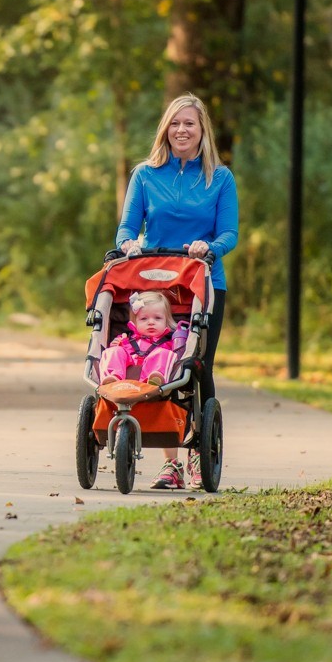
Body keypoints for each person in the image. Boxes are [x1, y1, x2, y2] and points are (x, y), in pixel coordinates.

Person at [115, 93, 239, 490]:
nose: (181, 130)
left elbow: (229, 233)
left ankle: (200, 456)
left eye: (189, 124)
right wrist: (129, 245)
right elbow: (125, 229)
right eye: (175, 123)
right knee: (159, 359)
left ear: (203, 131)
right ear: (165, 129)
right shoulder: (145, 175)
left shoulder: (219, 177)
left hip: (203, 282)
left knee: (197, 366)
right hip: (155, 285)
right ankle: (170, 465)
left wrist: (212, 247)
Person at [99, 291, 185, 387]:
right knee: (114, 351)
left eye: (157, 318)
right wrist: (116, 344)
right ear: (135, 322)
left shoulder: (169, 342)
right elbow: (118, 354)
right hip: (123, 380)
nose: (151, 322)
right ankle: (112, 378)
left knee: (164, 354)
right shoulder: (126, 340)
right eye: (144, 319)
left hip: (151, 385)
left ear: (166, 321)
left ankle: (155, 379)